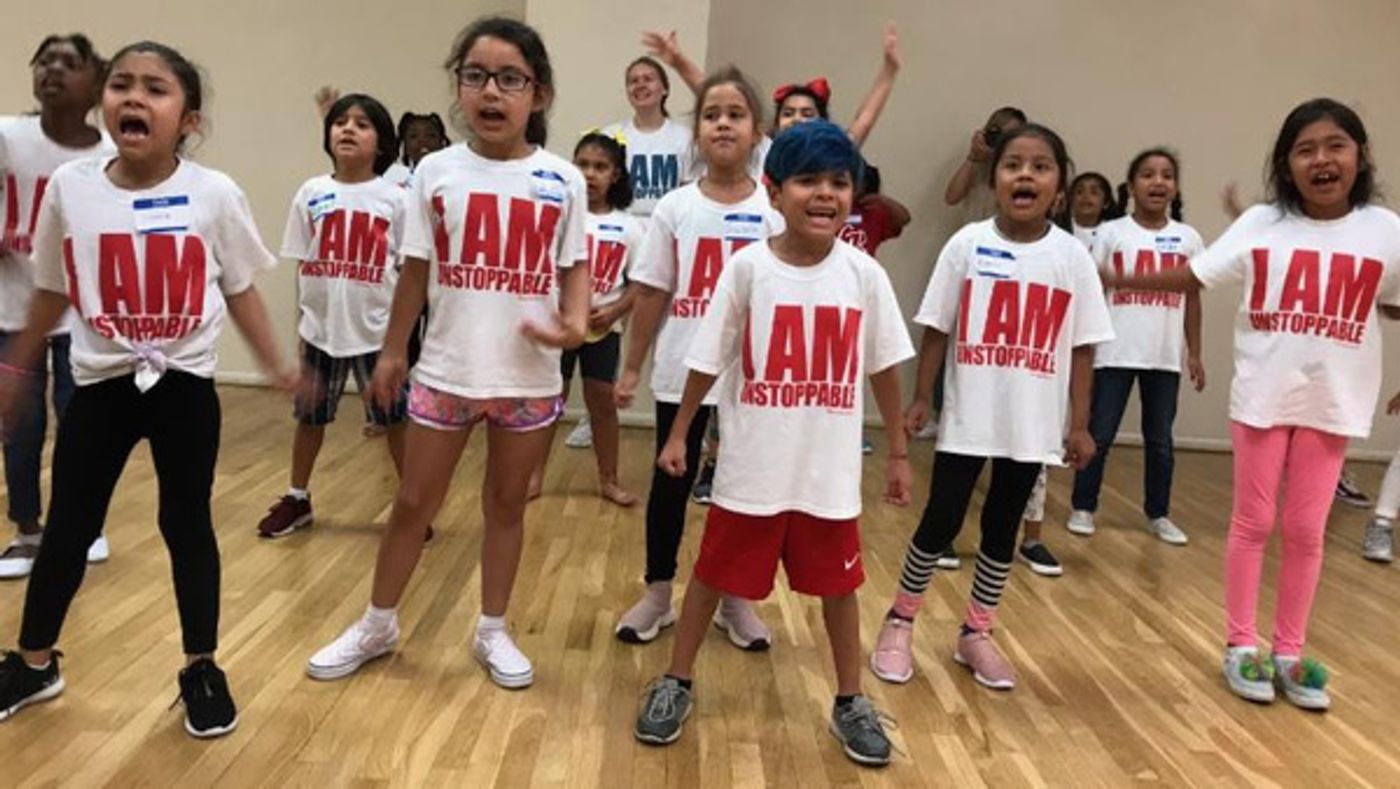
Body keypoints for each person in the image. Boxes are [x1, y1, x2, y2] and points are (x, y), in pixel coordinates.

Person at [0, 41, 298, 736]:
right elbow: (49, 289)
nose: (134, 98)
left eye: (155, 89)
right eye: (122, 85)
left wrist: (278, 364)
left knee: (185, 522)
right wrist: (17, 371)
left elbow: (242, 288)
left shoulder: (214, 193)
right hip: (100, 381)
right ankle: (35, 660)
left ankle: (200, 664)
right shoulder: (72, 188)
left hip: (184, 385)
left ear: (187, 118)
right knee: (68, 527)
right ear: (104, 104)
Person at [305, 16, 590, 691]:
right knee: (412, 502)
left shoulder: (563, 180)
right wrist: (391, 351)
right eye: (476, 76)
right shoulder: (433, 171)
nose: (492, 92)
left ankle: (493, 628)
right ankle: (378, 621)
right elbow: (414, 270)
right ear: (459, 86)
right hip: (446, 371)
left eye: (510, 78)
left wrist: (576, 321)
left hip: (527, 378)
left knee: (506, 505)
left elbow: (573, 267)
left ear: (538, 94)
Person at [632, 120, 912, 767]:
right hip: (753, 468)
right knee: (711, 575)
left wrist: (897, 451)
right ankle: (675, 680)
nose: (825, 194)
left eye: (839, 182)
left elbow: (885, 367)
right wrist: (679, 430)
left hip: (828, 474)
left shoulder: (865, 276)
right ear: (774, 190)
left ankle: (850, 699)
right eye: (808, 180)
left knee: (840, 589)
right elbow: (708, 356)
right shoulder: (748, 269)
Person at [1106, 98, 1400, 711]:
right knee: (1255, 521)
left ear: (1361, 155)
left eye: (1335, 146)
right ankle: (1242, 644)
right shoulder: (1263, 222)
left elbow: (1389, 299)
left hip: (1334, 399)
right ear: (1286, 164)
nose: (1321, 159)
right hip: (1263, 396)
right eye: (1304, 149)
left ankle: (1289, 652)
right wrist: (1118, 280)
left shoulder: (1385, 230)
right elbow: (1195, 276)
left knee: (1306, 528)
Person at [870, 123, 1113, 691]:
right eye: (1013, 165)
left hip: (1031, 425)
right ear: (995, 178)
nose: (1024, 174)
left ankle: (976, 633)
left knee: (1003, 526)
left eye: (1040, 166)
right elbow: (938, 329)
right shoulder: (967, 244)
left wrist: (1079, 424)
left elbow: (1083, 348)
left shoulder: (1072, 257)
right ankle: (900, 619)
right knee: (941, 519)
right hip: (968, 419)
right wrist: (922, 397)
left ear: (1058, 187)